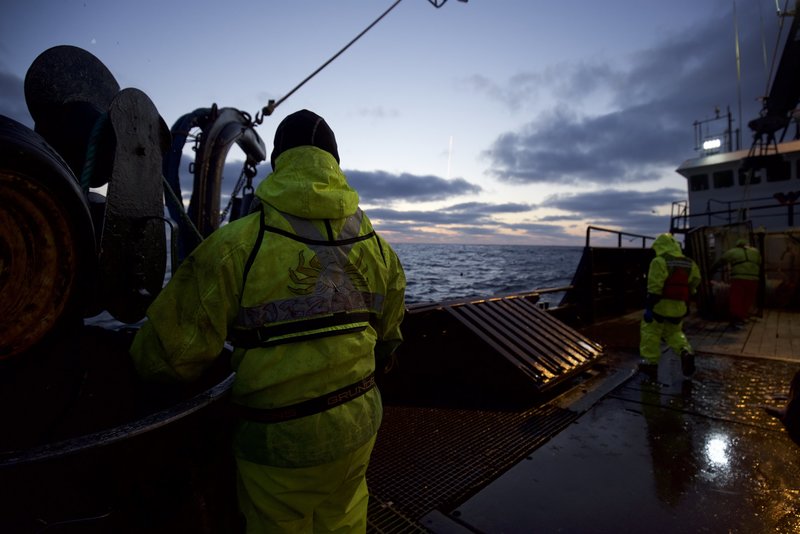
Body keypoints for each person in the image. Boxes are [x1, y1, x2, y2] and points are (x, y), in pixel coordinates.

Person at [130, 109, 407, 533]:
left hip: (280, 443)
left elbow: (169, 358)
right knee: (346, 517)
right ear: (334, 163)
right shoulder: (380, 249)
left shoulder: (235, 245)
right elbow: (389, 338)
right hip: (359, 423)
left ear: (279, 162)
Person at [639, 233, 701, 379]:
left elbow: (654, 287)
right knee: (674, 332)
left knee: (650, 332)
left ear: (660, 246)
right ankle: (685, 351)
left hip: (660, 306)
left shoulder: (659, 261)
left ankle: (650, 363)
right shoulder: (689, 262)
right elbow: (695, 282)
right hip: (679, 306)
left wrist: (649, 307)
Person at [712, 238, 761, 329]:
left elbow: (722, 261)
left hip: (739, 278)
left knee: (736, 299)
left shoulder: (733, 252)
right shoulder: (755, 252)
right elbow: (759, 262)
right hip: (754, 279)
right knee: (747, 299)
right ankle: (743, 317)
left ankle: (736, 319)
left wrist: (712, 269)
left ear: (737, 245)